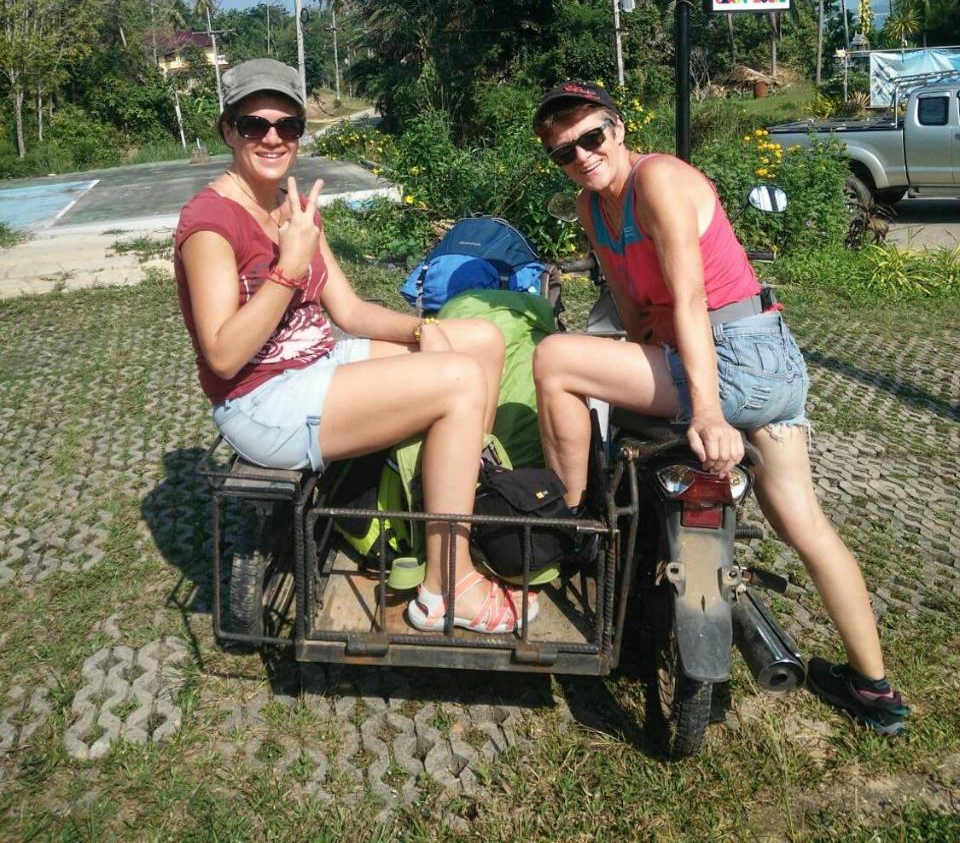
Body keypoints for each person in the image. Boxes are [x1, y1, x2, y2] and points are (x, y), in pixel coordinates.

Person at [531, 80, 907, 735]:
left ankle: (572, 525)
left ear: (618, 130)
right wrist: (649, 359)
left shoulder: (661, 182)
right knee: (804, 523)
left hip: (735, 360)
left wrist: (705, 410)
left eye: (592, 137)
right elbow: (634, 315)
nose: (583, 155)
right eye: (565, 152)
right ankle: (874, 690)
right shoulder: (595, 212)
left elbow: (689, 303)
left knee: (555, 360)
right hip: (772, 366)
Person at [175, 58, 534, 635]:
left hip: (319, 366)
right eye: (253, 125)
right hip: (265, 402)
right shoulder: (211, 224)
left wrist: (422, 329)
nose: (272, 137)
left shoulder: (289, 208)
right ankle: (450, 585)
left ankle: (457, 508)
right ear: (227, 130)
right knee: (460, 380)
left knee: (481, 341)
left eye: (287, 126)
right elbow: (222, 355)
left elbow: (348, 311)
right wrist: (288, 270)